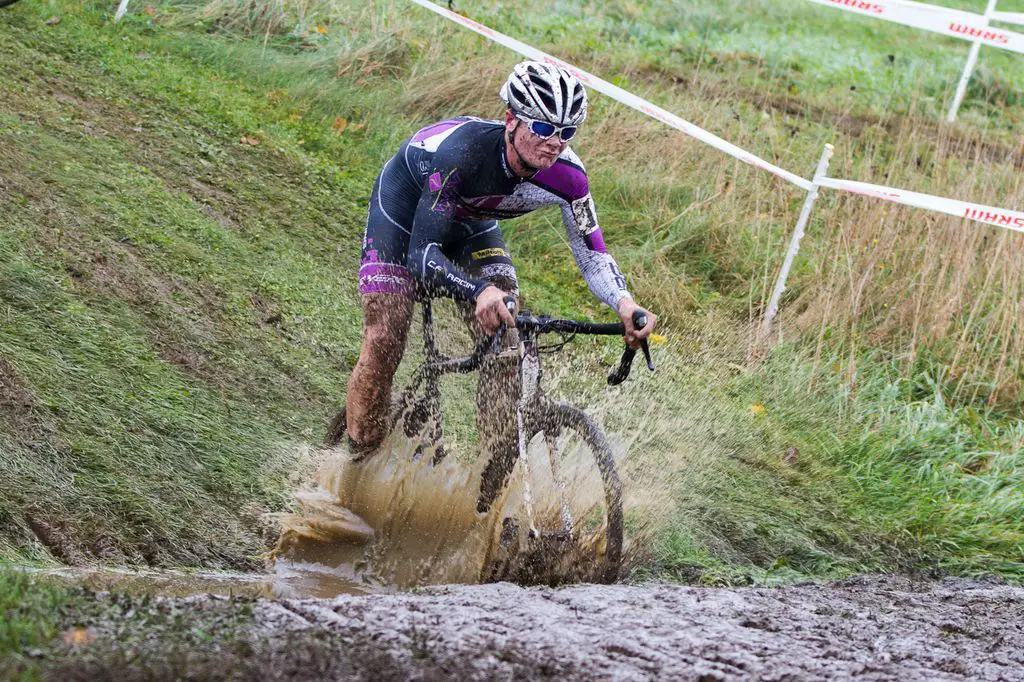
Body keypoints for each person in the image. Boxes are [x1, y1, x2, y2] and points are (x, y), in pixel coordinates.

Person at [344, 60, 657, 475]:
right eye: (542, 129)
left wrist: (623, 302)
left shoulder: (569, 178)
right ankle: (353, 470)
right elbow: (422, 256)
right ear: (510, 119)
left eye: (566, 133)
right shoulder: (464, 151)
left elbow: (592, 252)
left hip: (473, 221)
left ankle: (487, 482)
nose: (554, 143)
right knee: (385, 336)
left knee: (508, 340)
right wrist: (477, 291)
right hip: (404, 212)